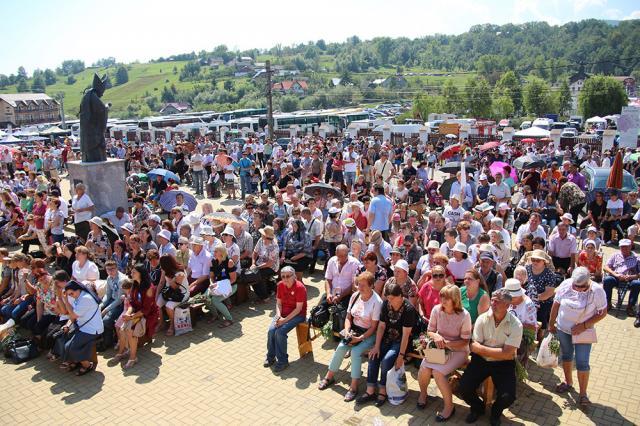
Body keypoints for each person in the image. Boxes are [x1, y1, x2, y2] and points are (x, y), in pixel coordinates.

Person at [459, 288, 523, 425]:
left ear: (507, 305)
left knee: (508, 396)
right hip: (481, 360)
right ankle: (478, 408)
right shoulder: (482, 319)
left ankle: (495, 412)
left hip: (503, 364)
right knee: (464, 387)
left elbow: (508, 355)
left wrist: (485, 349)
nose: (493, 303)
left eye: (497, 301)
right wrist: (501, 352)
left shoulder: (516, 325)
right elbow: (474, 347)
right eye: (492, 300)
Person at [318, 271, 382, 402]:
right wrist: (347, 331)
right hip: (353, 330)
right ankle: (329, 377)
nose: (360, 288)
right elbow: (348, 317)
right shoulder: (355, 296)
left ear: (372, 286)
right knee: (341, 347)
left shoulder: (377, 302)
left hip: (368, 334)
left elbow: (374, 327)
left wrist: (359, 338)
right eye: (359, 284)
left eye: (364, 285)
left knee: (356, 352)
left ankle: (354, 387)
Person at [549, 267, 607, 407]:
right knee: (566, 356)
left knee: (582, 362)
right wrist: (551, 324)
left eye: (581, 287)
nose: (578, 289)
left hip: (583, 332)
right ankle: (568, 382)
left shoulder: (597, 291)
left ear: (588, 282)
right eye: (575, 286)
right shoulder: (566, 284)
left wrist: (584, 325)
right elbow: (556, 305)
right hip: (563, 328)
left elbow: (602, 312)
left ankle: (583, 394)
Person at [417, 284, 472, 420]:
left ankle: (449, 407)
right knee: (424, 368)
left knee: (438, 373)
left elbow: (465, 341)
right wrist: (435, 336)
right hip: (440, 348)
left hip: (459, 351)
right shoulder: (437, 310)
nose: (443, 300)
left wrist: (447, 343)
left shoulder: (464, 315)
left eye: (447, 298)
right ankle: (423, 394)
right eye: (442, 297)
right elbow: (430, 331)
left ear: (455, 299)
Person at [358, 282, 416, 407]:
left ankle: (383, 390)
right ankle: (370, 390)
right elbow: (381, 326)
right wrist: (376, 346)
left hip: (401, 341)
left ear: (400, 296)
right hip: (387, 338)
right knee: (373, 356)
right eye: (388, 298)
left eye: (392, 298)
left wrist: (401, 356)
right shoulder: (386, 304)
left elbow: (406, 335)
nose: (390, 301)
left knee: (386, 360)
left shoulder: (409, 309)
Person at [264, 266, 307, 372]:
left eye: (288, 276)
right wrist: (278, 316)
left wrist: (284, 321)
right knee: (271, 330)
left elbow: (298, 309)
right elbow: (278, 304)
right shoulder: (280, 285)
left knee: (280, 332)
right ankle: (271, 357)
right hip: (282, 314)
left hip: (297, 315)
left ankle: (283, 361)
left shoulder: (300, 287)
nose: (285, 279)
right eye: (282, 276)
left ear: (294, 276)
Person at [59, 280, 103, 376]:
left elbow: (73, 315)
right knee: (65, 341)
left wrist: (65, 300)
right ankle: (75, 361)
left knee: (72, 348)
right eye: (69, 294)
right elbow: (73, 315)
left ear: (78, 289)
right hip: (83, 327)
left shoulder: (85, 299)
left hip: (92, 330)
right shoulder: (79, 296)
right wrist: (67, 324)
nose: (71, 295)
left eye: (72, 293)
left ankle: (87, 365)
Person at [526, 249, 558, 340]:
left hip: (543, 302)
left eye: (538, 260)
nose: (535, 262)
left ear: (544, 262)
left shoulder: (549, 274)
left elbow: (549, 293)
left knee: (541, 319)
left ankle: (540, 339)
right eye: (533, 260)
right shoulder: (527, 268)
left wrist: (534, 299)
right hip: (526, 299)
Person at [602, 239, 640, 315]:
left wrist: (631, 277)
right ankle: (608, 303)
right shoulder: (615, 255)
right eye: (622, 247)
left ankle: (630, 306)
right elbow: (605, 267)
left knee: (637, 283)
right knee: (607, 280)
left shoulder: (637, 258)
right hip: (616, 277)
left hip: (630, 279)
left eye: (626, 247)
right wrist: (615, 274)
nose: (624, 249)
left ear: (630, 247)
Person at [157, 254, 189, 336]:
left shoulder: (180, 272)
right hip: (169, 292)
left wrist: (170, 277)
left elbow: (175, 287)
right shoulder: (165, 270)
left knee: (169, 306)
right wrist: (156, 295)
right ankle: (161, 323)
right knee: (157, 303)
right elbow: (161, 283)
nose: (160, 266)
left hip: (181, 294)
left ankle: (172, 325)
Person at [207, 244, 237, 327]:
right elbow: (212, 276)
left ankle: (229, 319)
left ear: (222, 253)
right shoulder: (213, 262)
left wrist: (220, 285)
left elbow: (233, 279)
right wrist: (212, 284)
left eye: (216, 251)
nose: (214, 253)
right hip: (217, 286)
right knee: (206, 297)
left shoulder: (229, 262)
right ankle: (215, 315)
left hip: (231, 286)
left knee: (215, 300)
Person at [99, 260, 126, 351]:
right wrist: (102, 305)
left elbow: (119, 300)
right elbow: (108, 294)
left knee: (106, 320)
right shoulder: (109, 278)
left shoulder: (121, 280)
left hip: (121, 303)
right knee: (98, 313)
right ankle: (107, 339)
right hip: (112, 300)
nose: (110, 271)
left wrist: (106, 310)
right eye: (108, 269)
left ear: (117, 268)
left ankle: (110, 340)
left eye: (112, 269)